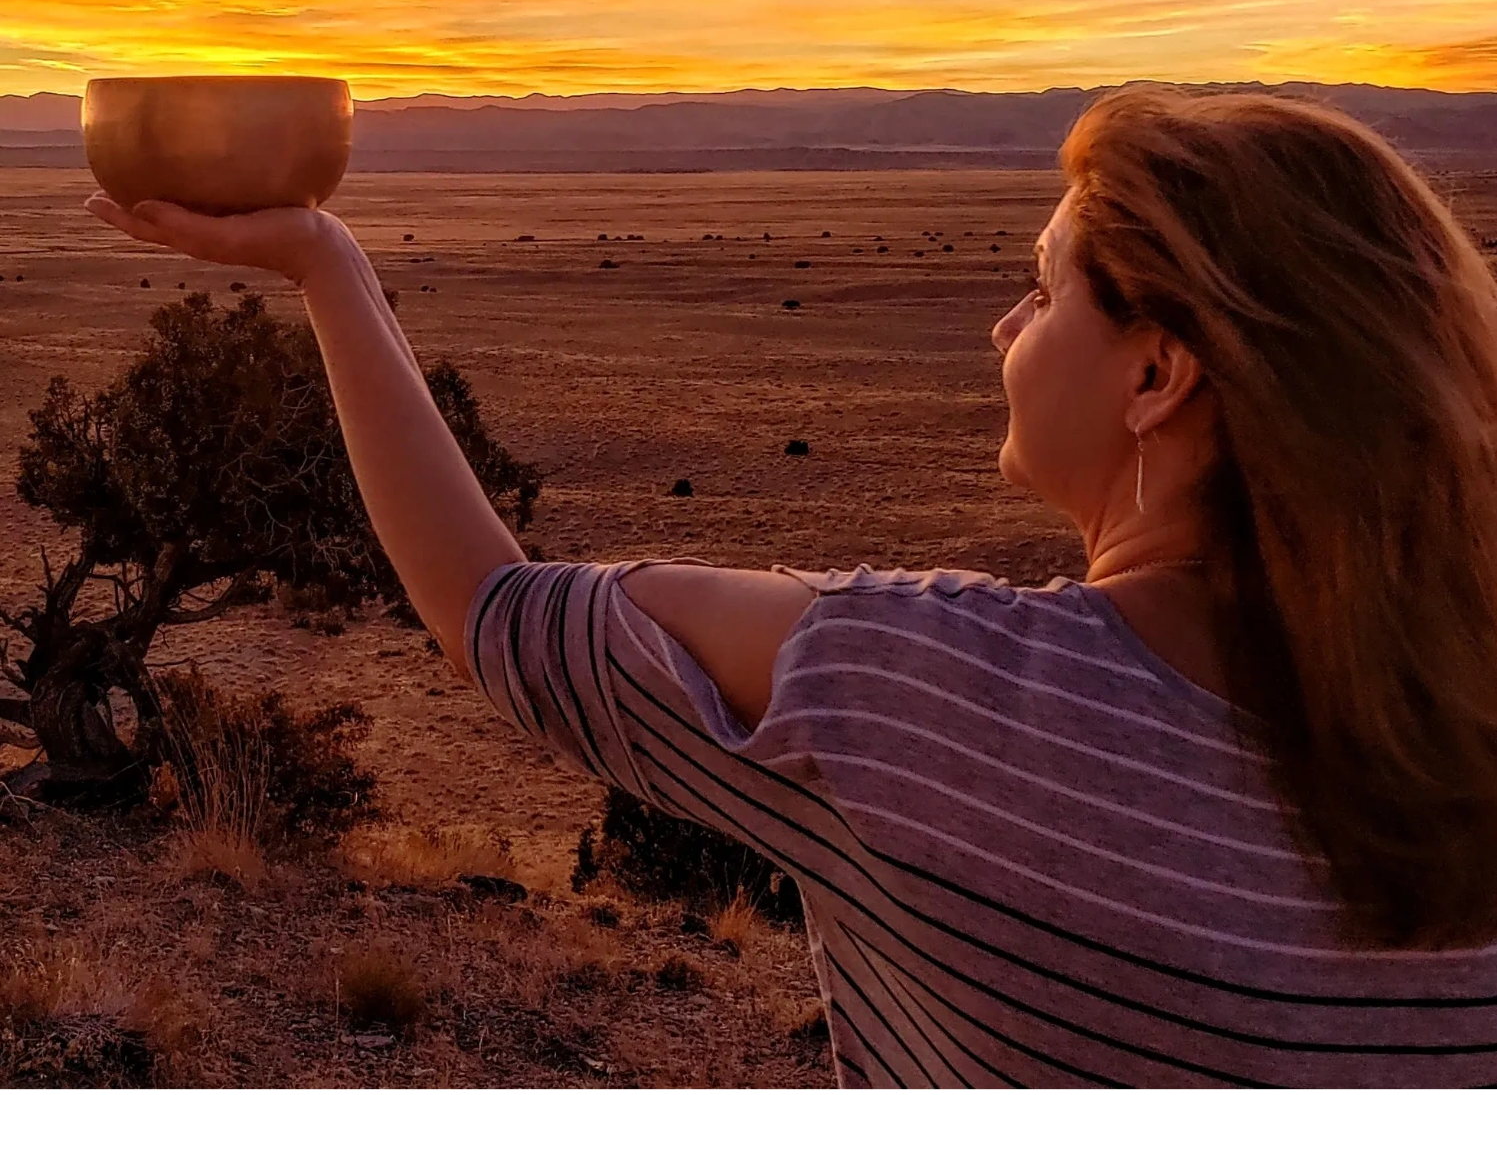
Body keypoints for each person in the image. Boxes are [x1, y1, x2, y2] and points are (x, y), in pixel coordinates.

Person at [87, 83, 1497, 1092]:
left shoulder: (927, 699)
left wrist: (327, 269)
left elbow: (493, 615)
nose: (1007, 323)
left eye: (1045, 287)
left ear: (1155, 374)